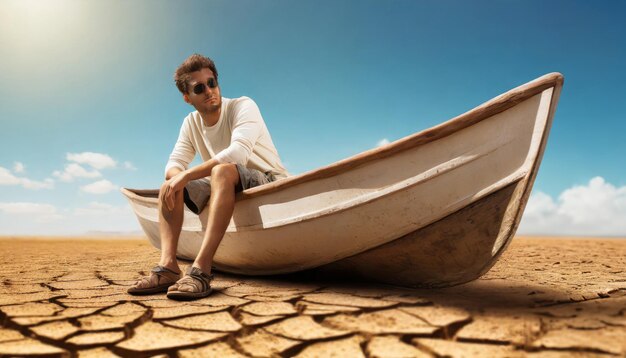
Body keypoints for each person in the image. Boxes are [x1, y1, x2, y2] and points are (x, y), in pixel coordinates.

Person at [128, 54, 289, 300]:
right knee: (169, 184)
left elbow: (238, 154)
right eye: (199, 88)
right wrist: (175, 179)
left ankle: (201, 271)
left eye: (212, 83)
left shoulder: (243, 106)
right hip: (225, 181)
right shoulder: (191, 123)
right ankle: (169, 267)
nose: (209, 91)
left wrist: (186, 176)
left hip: (269, 179)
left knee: (220, 170)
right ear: (187, 97)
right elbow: (174, 163)